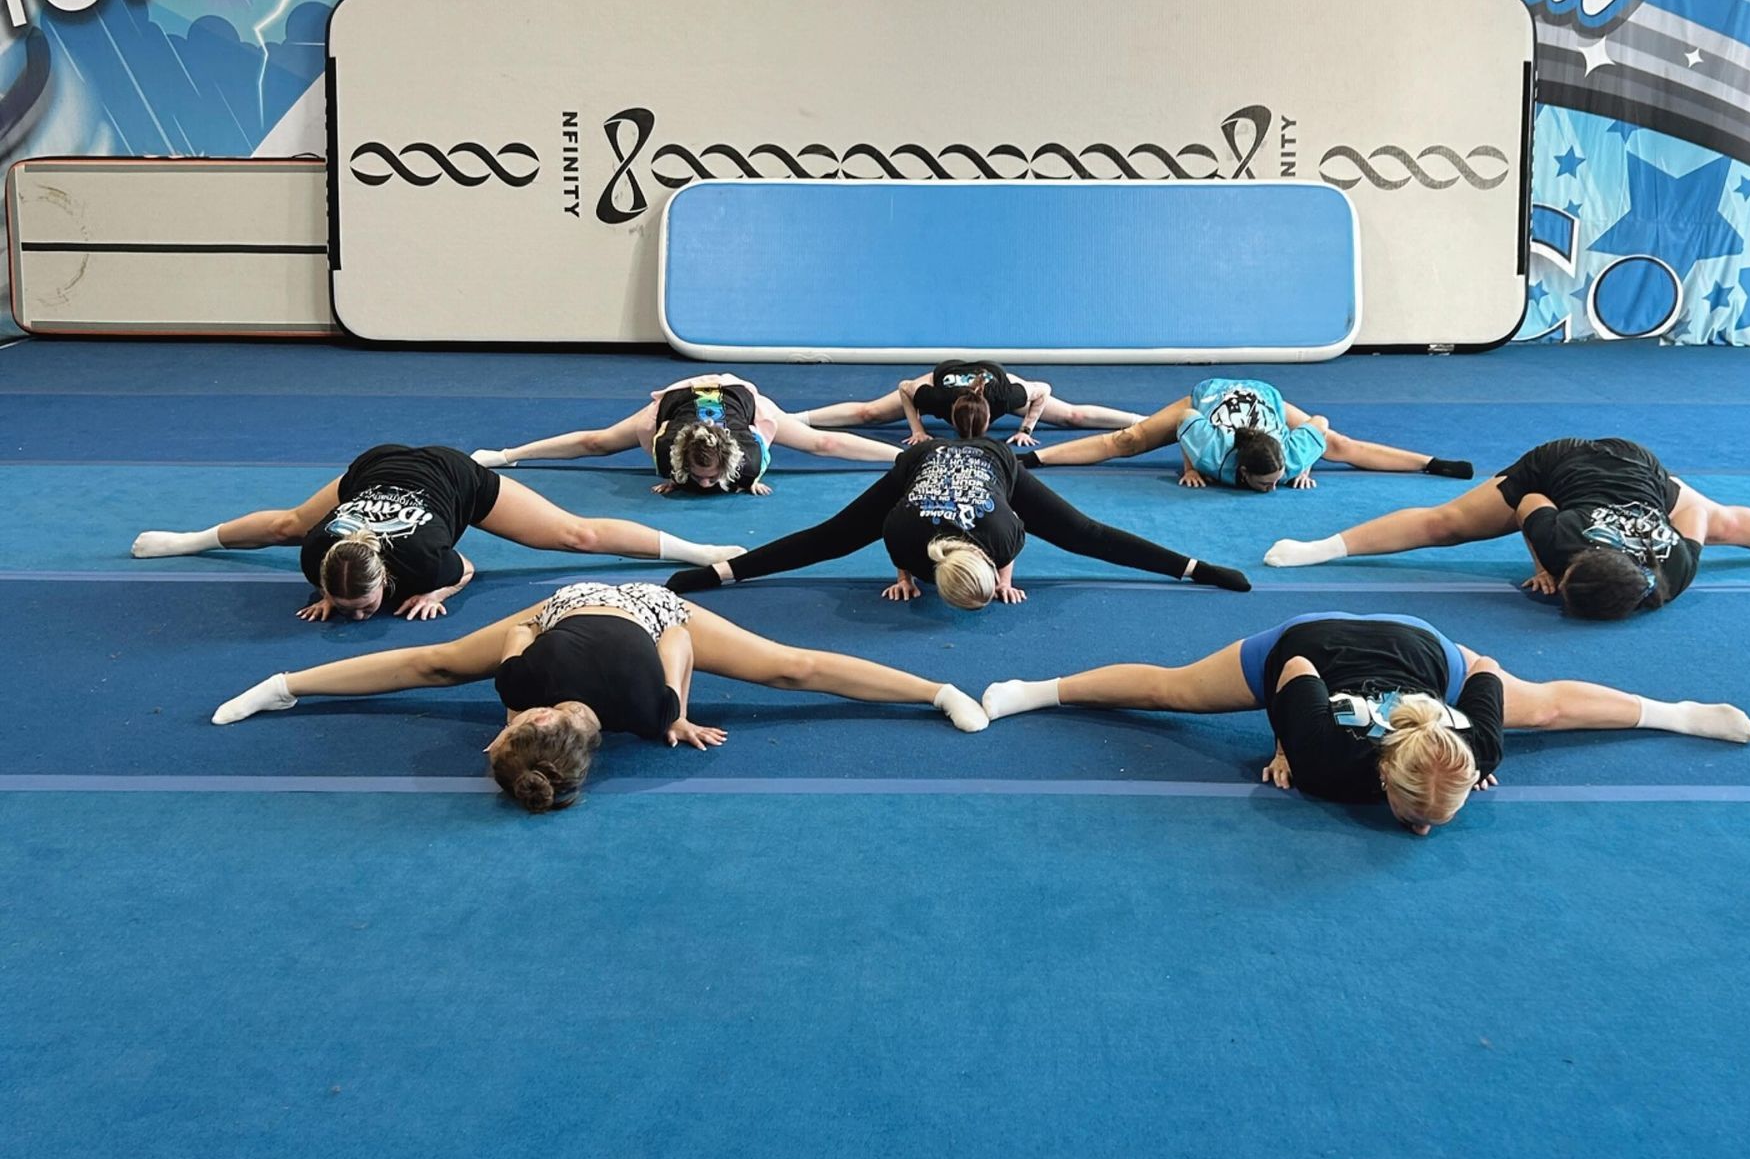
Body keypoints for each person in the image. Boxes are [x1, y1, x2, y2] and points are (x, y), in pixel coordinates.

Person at [211, 579, 990, 811]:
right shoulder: (648, 711)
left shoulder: (519, 687)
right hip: (655, 615)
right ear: (550, 726)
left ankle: (286, 686)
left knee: (440, 662)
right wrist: (678, 705)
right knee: (790, 670)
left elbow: (517, 645)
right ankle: (936, 690)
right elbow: (680, 641)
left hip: (563, 605)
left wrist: (513, 703)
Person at [980, 610, 1750, 835]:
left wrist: (1476, 716)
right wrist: (1286, 739)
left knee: (1544, 705)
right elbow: (1294, 675)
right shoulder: (1328, 763)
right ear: (1382, 781)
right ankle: (1036, 688)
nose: (1423, 830)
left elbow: (1485, 669)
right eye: (1421, 817)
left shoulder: (1475, 743)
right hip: (1307, 647)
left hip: (1429, 654)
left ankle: (1678, 712)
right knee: (1174, 691)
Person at [668, 388, 1247, 609]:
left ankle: (1194, 569)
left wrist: (1002, 578)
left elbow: (1020, 535)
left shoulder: (1002, 535)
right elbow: (865, 541)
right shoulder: (906, 540)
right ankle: (722, 573)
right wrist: (904, 574)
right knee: (829, 538)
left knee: (1086, 534)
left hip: (999, 467)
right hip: (916, 467)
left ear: (994, 568)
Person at [1262, 436, 1750, 617]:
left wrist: (1668, 512)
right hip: (1559, 465)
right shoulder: (1665, 568)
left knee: (1722, 519)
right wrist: (1540, 561)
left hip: (1635, 466)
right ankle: (1325, 547)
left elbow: (1698, 516)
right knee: (1450, 523)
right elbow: (1532, 497)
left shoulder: (1666, 568)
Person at [132, 443, 742, 622]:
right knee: (291, 524)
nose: (357, 616)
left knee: (571, 535)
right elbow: (315, 550)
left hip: (454, 478)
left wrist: (440, 593)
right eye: (347, 606)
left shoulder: (425, 559)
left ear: (392, 580)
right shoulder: (321, 551)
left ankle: (698, 548)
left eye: (362, 605)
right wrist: (327, 595)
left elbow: (467, 568)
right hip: (378, 467)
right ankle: (189, 539)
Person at [472, 372, 898, 495]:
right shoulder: (662, 450)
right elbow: (645, 427)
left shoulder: (749, 456)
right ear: (682, 462)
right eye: (700, 476)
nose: (707, 484)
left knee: (819, 441)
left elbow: (766, 428)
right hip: (677, 399)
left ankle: (900, 457)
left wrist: (754, 478)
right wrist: (674, 478)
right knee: (597, 442)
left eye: (713, 477)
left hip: (738, 395)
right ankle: (507, 454)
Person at [1033, 375, 1471, 490]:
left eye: (1275, 480)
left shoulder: (1291, 457)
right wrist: (1190, 466)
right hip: (1210, 399)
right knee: (1125, 441)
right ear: (1241, 473)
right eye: (1265, 483)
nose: (1271, 488)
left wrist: (1305, 463)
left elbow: (1319, 421)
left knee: (1340, 445)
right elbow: (1188, 424)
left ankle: (1429, 462)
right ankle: (1034, 459)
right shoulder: (1214, 452)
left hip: (1265, 398)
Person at [799, 360, 1141, 449]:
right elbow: (905, 388)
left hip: (992, 379)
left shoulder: (1008, 397)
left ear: (992, 416)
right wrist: (916, 428)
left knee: (1073, 416)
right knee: (869, 413)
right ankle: (792, 418)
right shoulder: (933, 397)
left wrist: (1026, 428)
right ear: (948, 419)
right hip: (943, 377)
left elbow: (1044, 389)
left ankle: (1147, 419)